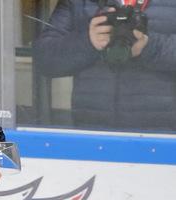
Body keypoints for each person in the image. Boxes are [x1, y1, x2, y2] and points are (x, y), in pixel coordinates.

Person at [32, 0, 176, 131]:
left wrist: (148, 47)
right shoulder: (77, 3)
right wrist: (87, 42)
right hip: (91, 130)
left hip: (163, 132)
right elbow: (45, 59)